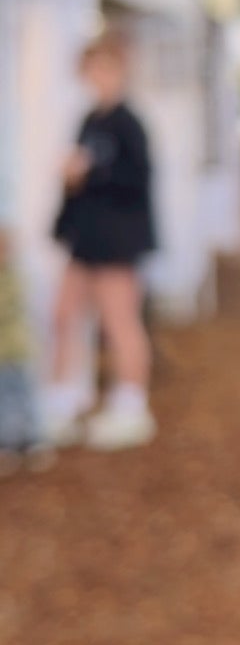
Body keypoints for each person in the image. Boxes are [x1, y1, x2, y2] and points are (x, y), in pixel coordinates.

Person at [46, 31, 157, 449]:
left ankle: (131, 405)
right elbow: (76, 178)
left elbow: (136, 181)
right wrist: (64, 216)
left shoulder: (130, 124)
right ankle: (65, 397)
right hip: (86, 238)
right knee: (63, 314)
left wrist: (89, 173)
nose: (97, 77)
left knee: (119, 322)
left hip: (117, 241)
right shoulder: (90, 119)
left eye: (103, 68)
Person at [0, 226, 49, 472]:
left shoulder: (14, 278)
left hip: (16, 353)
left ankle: (31, 440)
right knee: (6, 400)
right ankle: (8, 444)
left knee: (22, 397)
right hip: (8, 354)